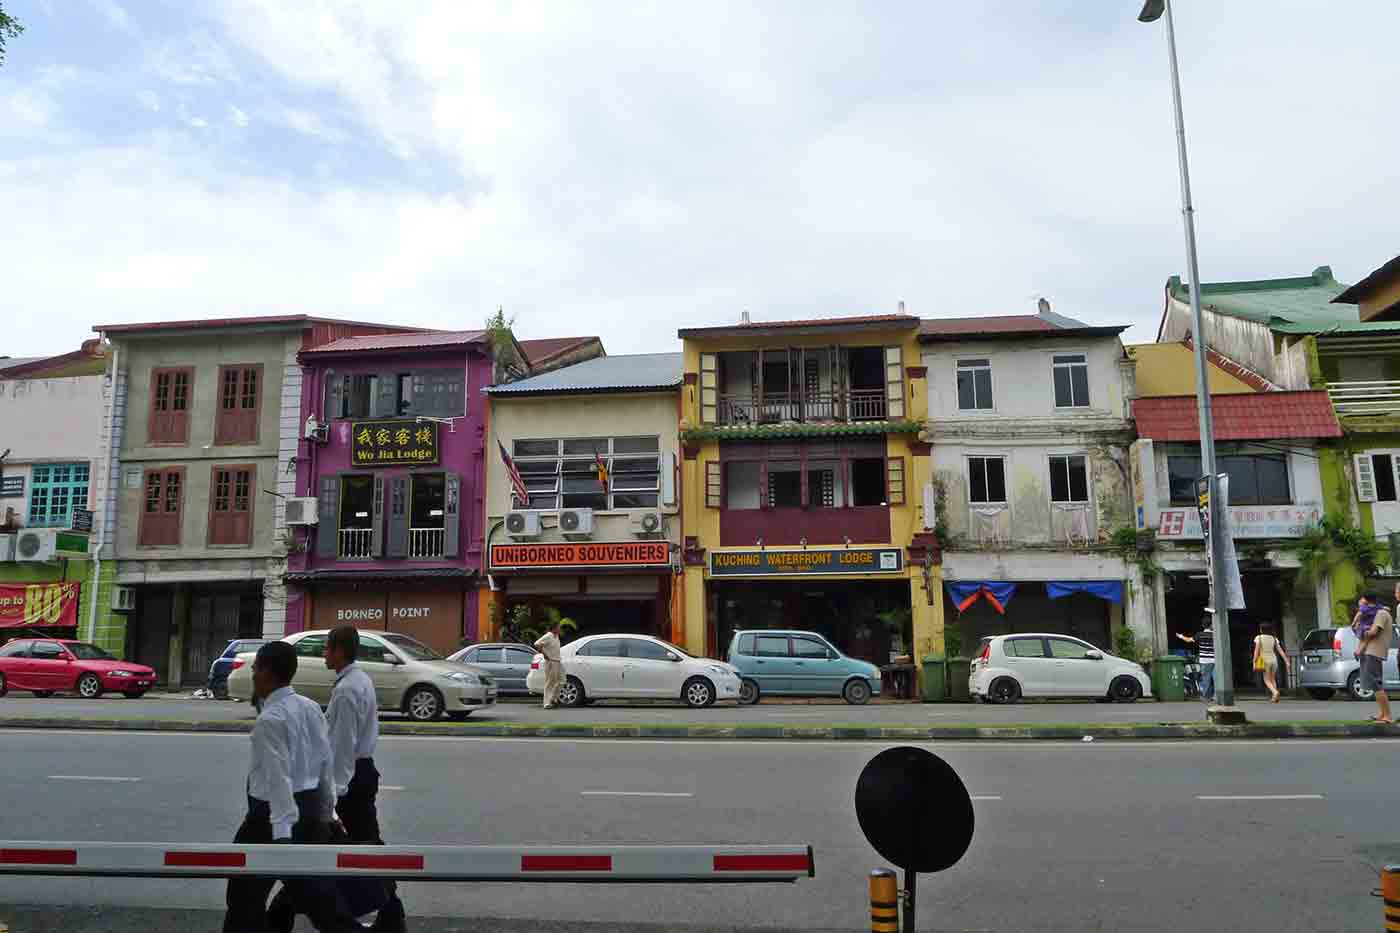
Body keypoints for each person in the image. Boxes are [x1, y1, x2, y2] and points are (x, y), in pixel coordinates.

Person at [223, 641, 360, 933]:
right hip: (309, 813)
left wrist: (282, 837)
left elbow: (278, 780)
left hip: (270, 820)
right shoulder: (310, 707)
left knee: (244, 898)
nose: (253, 674)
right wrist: (327, 813)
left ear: (268, 673)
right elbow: (326, 764)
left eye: (256, 668)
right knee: (321, 903)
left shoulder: (270, 721)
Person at [1354, 592, 1394, 724]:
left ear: (1365, 600)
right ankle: (1383, 714)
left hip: (1375, 651)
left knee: (1376, 684)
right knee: (1374, 684)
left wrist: (1361, 630)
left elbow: (1373, 632)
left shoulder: (1381, 614)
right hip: (1370, 650)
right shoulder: (1375, 613)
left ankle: (1387, 716)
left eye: (1361, 598)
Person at [1174, 615, 1216, 702]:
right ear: (1211, 625)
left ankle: (1206, 697)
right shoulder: (1215, 635)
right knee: (1216, 679)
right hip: (1215, 660)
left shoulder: (1199, 635)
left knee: (1206, 679)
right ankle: (1215, 696)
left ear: (1203, 625)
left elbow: (1189, 640)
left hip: (1204, 661)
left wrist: (1181, 636)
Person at [1251, 622, 1290, 704]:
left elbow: (1256, 650)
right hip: (1274, 660)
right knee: (1272, 679)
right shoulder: (1274, 638)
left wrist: (1254, 660)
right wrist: (1286, 661)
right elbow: (1280, 650)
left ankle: (1275, 692)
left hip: (1265, 660)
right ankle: (1274, 697)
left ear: (1261, 630)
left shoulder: (1259, 638)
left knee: (1266, 680)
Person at [535, 623, 563, 709]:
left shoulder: (556, 636)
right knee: (549, 682)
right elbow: (537, 644)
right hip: (551, 661)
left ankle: (553, 699)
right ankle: (546, 703)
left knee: (561, 680)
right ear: (554, 629)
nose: (559, 629)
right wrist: (544, 654)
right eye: (558, 628)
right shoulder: (548, 635)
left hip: (557, 661)